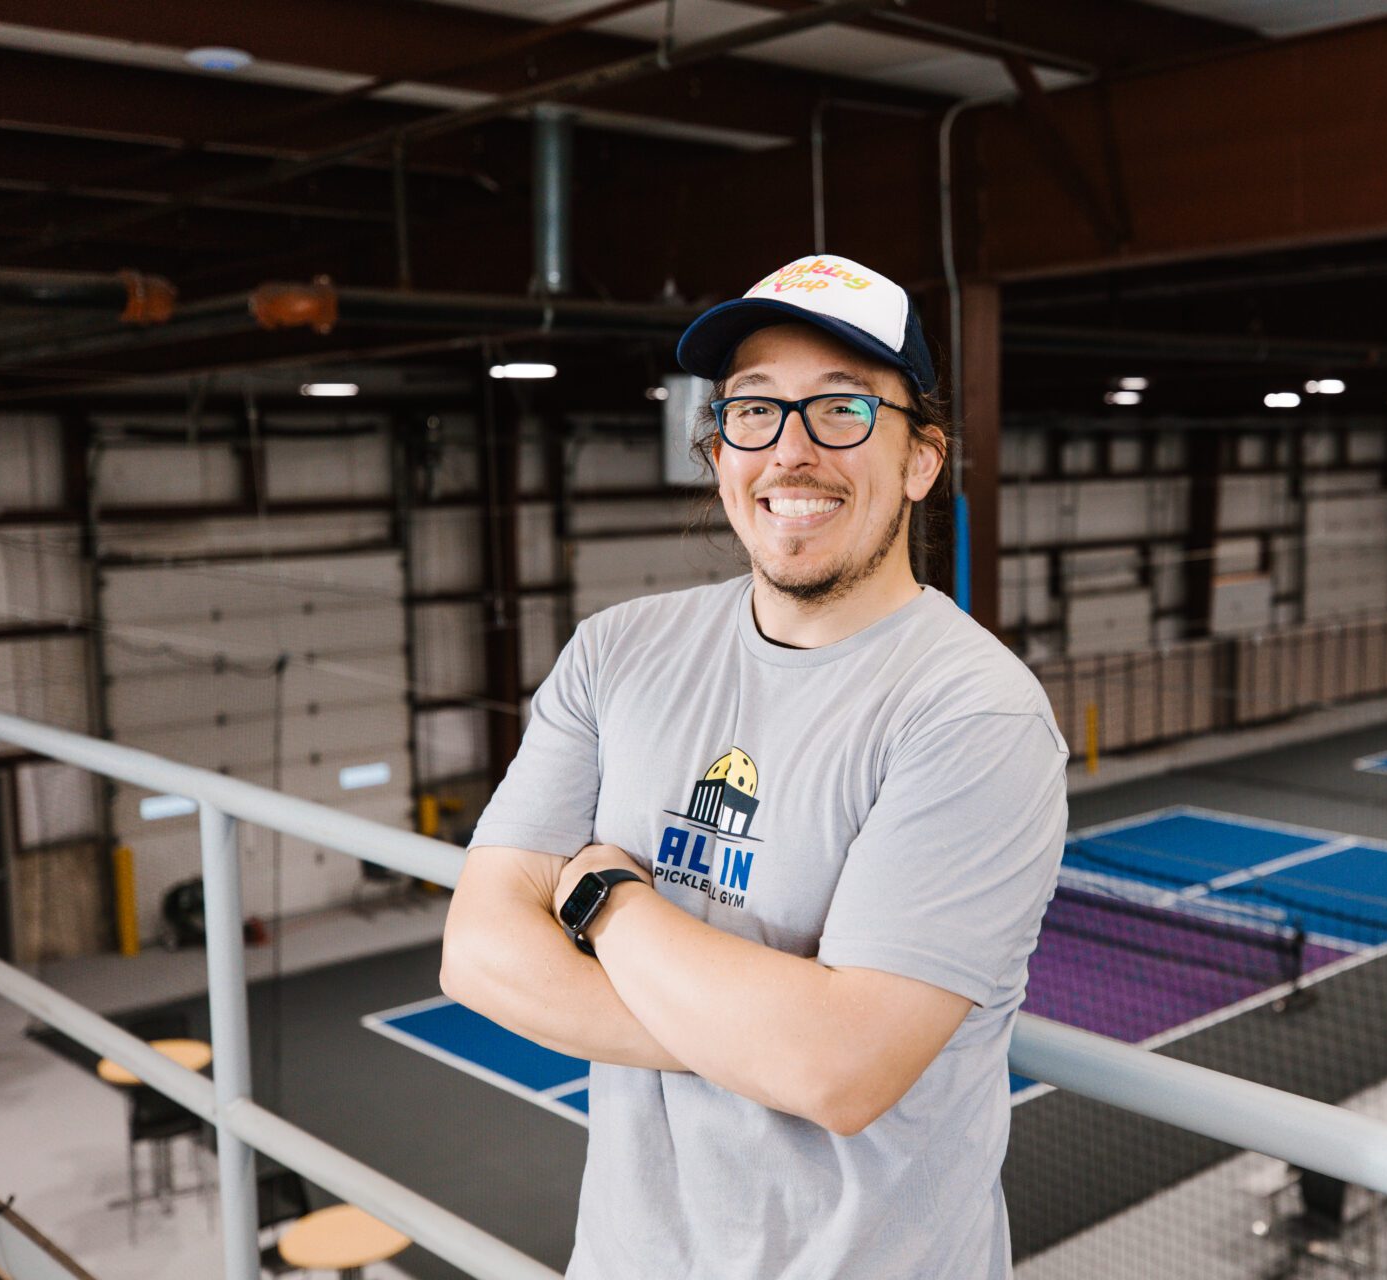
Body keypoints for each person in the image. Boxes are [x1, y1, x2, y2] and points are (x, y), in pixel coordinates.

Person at [440, 253, 1070, 1279]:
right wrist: (765, 1037)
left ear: (921, 459)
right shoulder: (616, 652)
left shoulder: (972, 713)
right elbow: (476, 951)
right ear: (719, 449)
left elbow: (839, 1068)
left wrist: (609, 899)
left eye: (844, 410)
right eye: (755, 411)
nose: (792, 451)